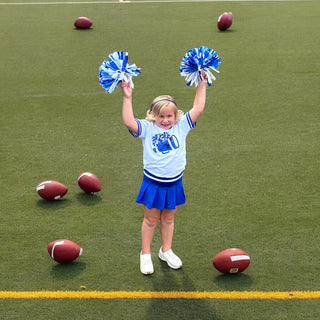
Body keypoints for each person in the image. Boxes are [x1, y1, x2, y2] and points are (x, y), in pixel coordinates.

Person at [121, 71, 207, 275]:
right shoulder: (147, 128)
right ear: (153, 115)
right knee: (151, 219)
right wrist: (127, 97)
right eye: (161, 116)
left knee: (169, 218)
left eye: (169, 116)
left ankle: (165, 250)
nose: (166, 120)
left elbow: (198, 108)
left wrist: (201, 85)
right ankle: (145, 254)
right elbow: (129, 122)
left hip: (174, 183)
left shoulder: (181, 126)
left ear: (175, 115)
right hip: (153, 183)